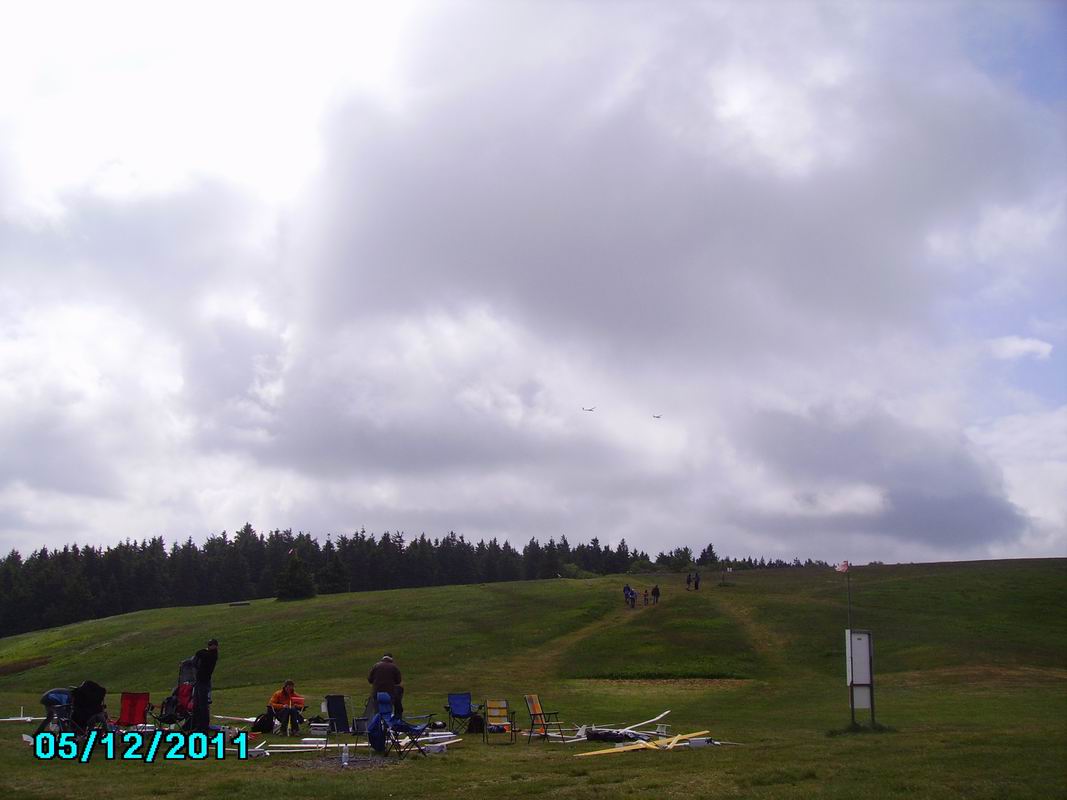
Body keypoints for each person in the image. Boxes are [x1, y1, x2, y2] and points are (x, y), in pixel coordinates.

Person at [191, 638, 218, 732]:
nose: (210, 647)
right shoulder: (206, 653)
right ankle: (198, 725)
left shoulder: (213, 655)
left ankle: (204, 726)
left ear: (216, 646)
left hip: (204, 682)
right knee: (196, 705)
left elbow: (200, 653)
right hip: (199, 681)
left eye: (211, 645)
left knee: (203, 705)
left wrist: (202, 651)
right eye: (209, 645)